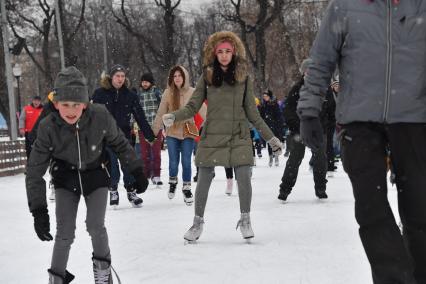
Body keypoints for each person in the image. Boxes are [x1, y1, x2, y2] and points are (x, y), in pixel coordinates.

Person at [297, 1, 426, 283]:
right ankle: (396, 278)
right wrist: (309, 111)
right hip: (359, 120)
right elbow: (320, 61)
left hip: (414, 120)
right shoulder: (345, 6)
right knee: (371, 207)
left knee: (420, 210)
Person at [25, 66, 148, 283]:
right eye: (65, 105)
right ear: (55, 104)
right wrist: (38, 211)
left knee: (95, 225)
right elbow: (34, 171)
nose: (71, 110)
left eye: (76, 105)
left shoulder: (99, 115)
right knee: (65, 232)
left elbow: (120, 143)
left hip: (96, 174)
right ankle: (57, 278)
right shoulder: (48, 127)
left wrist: (136, 170)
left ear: (85, 103)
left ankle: (103, 274)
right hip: (65, 177)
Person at [162, 31, 282, 242]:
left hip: (238, 135)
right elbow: (192, 107)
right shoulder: (207, 76)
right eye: (220, 52)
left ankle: (245, 220)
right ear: (215, 54)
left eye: (228, 51)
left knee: (244, 175)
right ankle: (197, 223)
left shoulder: (243, 77)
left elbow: (253, 114)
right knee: (205, 177)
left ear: (234, 52)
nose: (224, 55)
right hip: (213, 135)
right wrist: (174, 116)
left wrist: (270, 138)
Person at [92, 64, 155, 208]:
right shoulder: (100, 94)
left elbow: (140, 116)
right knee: (112, 165)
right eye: (117, 76)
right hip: (107, 137)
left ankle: (131, 190)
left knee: (128, 165)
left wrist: (149, 134)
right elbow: (93, 116)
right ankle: (113, 189)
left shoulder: (130, 95)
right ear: (111, 77)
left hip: (124, 137)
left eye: (122, 76)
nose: (120, 79)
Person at [278, 58, 329, 202]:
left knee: (320, 159)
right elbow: (288, 110)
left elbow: (330, 110)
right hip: (300, 131)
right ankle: (285, 188)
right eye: (308, 71)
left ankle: (320, 188)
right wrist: (296, 126)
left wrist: (325, 127)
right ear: (303, 73)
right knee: (294, 159)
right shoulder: (296, 89)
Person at [152, 65, 205, 205]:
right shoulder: (167, 93)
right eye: (174, 76)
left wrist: (214, 124)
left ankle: (186, 188)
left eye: (179, 76)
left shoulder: (193, 92)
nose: (177, 78)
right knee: (173, 161)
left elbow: (204, 110)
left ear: (185, 77)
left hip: (188, 131)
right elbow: (160, 113)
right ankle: (173, 181)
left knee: (186, 161)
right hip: (172, 132)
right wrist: (153, 132)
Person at [136, 73, 164, 185]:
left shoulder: (156, 92)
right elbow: (135, 109)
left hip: (156, 127)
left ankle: (156, 175)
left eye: (146, 82)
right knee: (144, 153)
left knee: (156, 152)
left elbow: (163, 107)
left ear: (151, 83)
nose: (144, 84)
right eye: (143, 82)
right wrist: (134, 122)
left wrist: (162, 120)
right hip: (143, 127)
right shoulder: (138, 94)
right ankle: (146, 174)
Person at [259, 89, 284, 167]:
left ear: (269, 96)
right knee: (269, 142)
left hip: (275, 126)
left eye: (266, 96)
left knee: (275, 142)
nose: (265, 98)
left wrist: (278, 125)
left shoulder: (274, 104)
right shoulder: (263, 105)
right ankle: (270, 158)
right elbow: (261, 115)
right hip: (267, 126)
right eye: (264, 96)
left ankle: (276, 157)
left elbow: (279, 115)